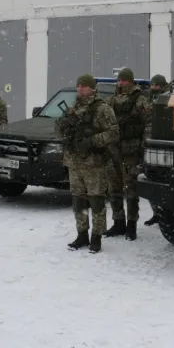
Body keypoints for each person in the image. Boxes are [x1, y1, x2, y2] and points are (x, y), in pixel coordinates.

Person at [55, 74, 119, 253]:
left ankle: (96, 237)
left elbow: (113, 133)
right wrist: (63, 125)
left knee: (96, 200)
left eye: (84, 86)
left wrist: (91, 141)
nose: (80, 88)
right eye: (78, 85)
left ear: (92, 88)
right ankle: (82, 235)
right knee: (78, 200)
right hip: (74, 161)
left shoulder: (102, 109)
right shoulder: (73, 107)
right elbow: (58, 130)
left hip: (94, 162)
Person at [104, 68, 152, 240]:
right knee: (114, 189)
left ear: (131, 81)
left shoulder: (141, 101)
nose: (121, 83)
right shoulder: (110, 101)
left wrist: (143, 147)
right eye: (119, 80)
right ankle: (118, 223)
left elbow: (149, 125)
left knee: (130, 189)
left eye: (124, 80)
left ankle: (131, 224)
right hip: (113, 151)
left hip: (131, 152)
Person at [144, 73, 169, 226]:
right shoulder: (147, 98)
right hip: (148, 143)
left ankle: (163, 213)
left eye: (157, 85)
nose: (154, 87)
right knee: (150, 180)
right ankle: (156, 213)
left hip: (162, 145)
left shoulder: (168, 98)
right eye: (152, 85)